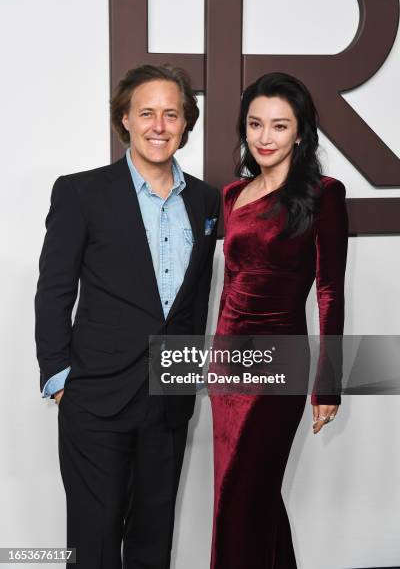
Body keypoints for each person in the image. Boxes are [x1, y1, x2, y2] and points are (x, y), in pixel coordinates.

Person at [34, 64, 220, 569]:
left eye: (171, 114)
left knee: (152, 539)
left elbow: (197, 296)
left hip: (168, 397)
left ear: (185, 124)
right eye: (146, 113)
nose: (158, 125)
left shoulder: (206, 200)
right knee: (93, 543)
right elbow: (54, 289)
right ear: (125, 120)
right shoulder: (80, 192)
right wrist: (58, 376)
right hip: (95, 395)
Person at [210, 72, 348, 568]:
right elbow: (230, 287)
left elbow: (330, 292)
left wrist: (326, 383)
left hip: (278, 367)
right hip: (227, 368)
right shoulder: (232, 196)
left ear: (300, 133)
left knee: (238, 497)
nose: (264, 137)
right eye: (255, 124)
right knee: (254, 497)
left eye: (279, 126)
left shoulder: (324, 194)